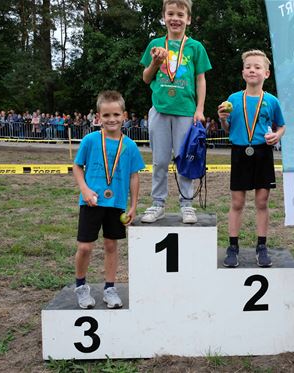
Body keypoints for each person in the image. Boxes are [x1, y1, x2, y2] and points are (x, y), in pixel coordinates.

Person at [139, 0, 211, 224]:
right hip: (160, 109)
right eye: (170, 13)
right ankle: (157, 203)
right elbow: (146, 77)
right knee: (160, 160)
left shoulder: (195, 47)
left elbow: (200, 79)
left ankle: (186, 204)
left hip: (186, 112)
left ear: (188, 19)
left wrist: (199, 109)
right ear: (164, 17)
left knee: (185, 159)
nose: (175, 18)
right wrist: (155, 62)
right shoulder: (156, 44)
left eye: (180, 14)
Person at [72, 90, 145, 309]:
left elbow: (134, 176)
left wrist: (133, 205)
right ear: (98, 117)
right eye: (106, 115)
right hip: (91, 202)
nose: (111, 119)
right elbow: (77, 166)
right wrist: (84, 189)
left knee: (111, 245)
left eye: (115, 114)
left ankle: (110, 288)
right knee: (85, 247)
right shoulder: (90, 140)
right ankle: (81, 287)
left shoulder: (130, 146)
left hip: (116, 204)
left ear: (124, 115)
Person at [217, 49, 285, 268]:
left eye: (257, 67)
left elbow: (281, 126)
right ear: (243, 72)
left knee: (262, 202)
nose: (252, 70)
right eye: (248, 67)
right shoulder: (233, 99)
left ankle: (261, 246)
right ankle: (233, 246)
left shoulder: (272, 101)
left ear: (266, 73)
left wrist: (277, 135)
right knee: (237, 202)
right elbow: (227, 128)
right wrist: (222, 119)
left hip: (263, 153)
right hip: (239, 152)